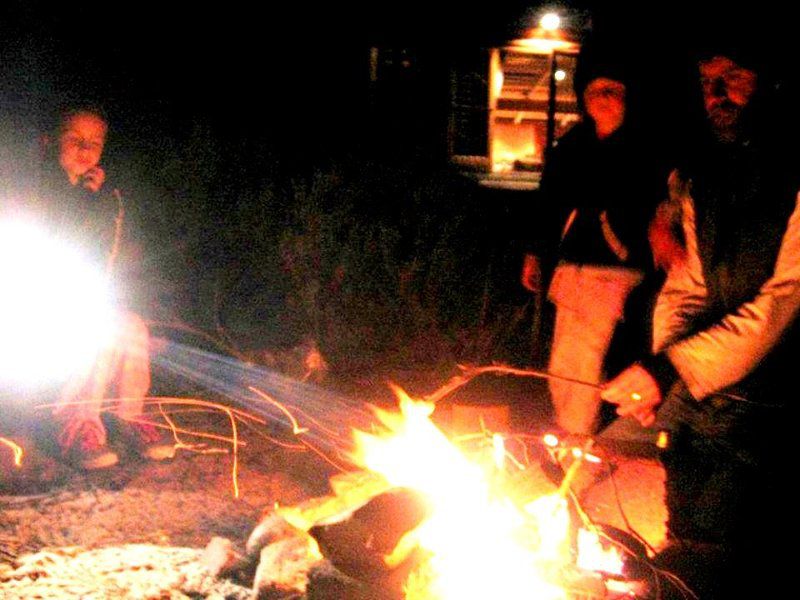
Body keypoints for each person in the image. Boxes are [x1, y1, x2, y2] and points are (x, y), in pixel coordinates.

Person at [601, 40, 798, 597]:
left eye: (732, 77)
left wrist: (671, 370)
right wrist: (664, 380)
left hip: (768, 405)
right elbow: (685, 285)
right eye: (706, 81)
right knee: (683, 543)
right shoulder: (705, 174)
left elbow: (784, 302)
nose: (716, 94)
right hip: (701, 400)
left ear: (771, 80)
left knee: (734, 555)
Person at [521, 41, 664, 435]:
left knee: (589, 365)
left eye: (610, 91)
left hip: (617, 272)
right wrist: (536, 252)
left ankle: (581, 449)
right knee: (563, 368)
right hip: (574, 270)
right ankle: (572, 441)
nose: (601, 99)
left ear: (625, 95)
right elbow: (549, 201)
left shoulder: (644, 148)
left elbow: (651, 207)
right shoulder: (572, 146)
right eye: (594, 91)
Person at [29, 106, 174, 471]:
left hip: (82, 299)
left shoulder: (103, 195)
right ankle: (74, 425)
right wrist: (83, 198)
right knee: (93, 328)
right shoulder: (36, 187)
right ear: (49, 142)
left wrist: (94, 199)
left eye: (94, 142)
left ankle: (127, 415)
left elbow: (110, 255)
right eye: (74, 139)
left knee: (129, 326)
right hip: (32, 307)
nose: (85, 149)